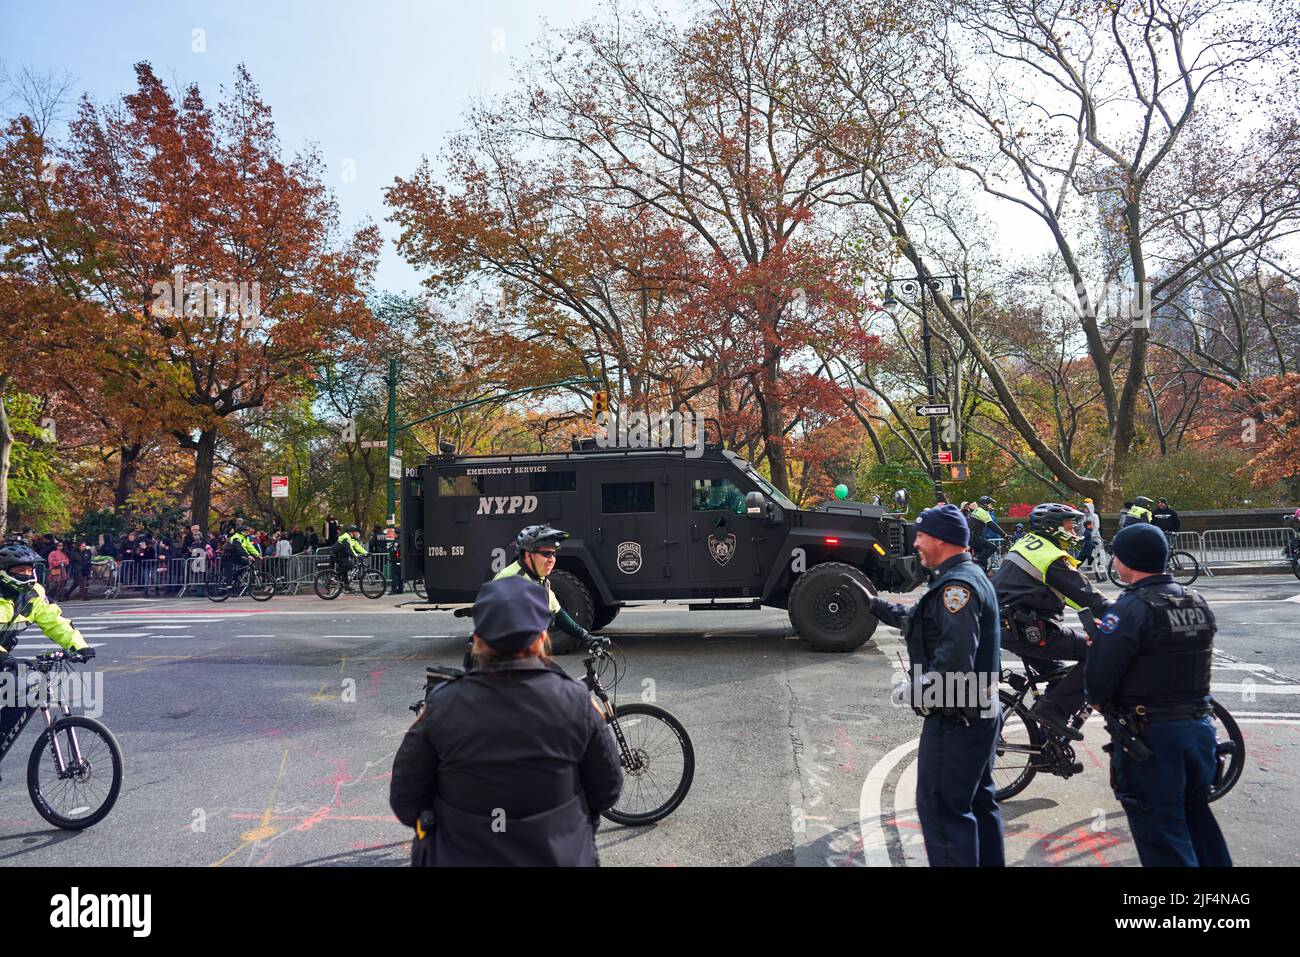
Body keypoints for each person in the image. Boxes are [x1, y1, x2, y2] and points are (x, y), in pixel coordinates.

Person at [388, 575, 623, 866]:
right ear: (541, 637)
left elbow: (405, 799)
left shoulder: (443, 705)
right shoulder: (576, 703)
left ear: (478, 641)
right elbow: (607, 789)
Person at [862, 504, 1004, 867]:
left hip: (958, 719)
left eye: (922, 536)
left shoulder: (957, 587)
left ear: (942, 539)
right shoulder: (962, 576)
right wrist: (877, 606)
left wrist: (917, 691)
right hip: (979, 712)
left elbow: (954, 660)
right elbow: (924, 622)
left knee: (943, 812)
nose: (917, 543)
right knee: (977, 803)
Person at [1083, 524, 1231, 867]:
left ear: (1128, 560)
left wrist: (1099, 650)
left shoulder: (1130, 609)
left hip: (1152, 737)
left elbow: (1099, 684)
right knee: (1197, 822)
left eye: (1117, 554)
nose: (1114, 561)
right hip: (1199, 730)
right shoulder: (1195, 600)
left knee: (1163, 837)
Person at [993, 502, 1111, 741]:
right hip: (1030, 631)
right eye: (1070, 527)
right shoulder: (1051, 557)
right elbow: (1087, 595)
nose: (1074, 532)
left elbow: (1072, 596)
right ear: (1052, 527)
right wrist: (1128, 616)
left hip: (1011, 628)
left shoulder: (1030, 545)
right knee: (1098, 654)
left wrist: (1099, 615)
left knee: (1060, 678)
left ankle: (1047, 744)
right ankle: (1053, 710)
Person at [0, 540, 95, 751]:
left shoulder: (33, 594)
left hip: (3, 657)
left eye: (29, 569)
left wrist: (78, 645)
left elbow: (54, 621)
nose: (27, 574)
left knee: (19, 693)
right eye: (20, 570)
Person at [490, 525, 599, 658]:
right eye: (546, 554)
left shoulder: (540, 580)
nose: (552, 559)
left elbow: (558, 614)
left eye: (554, 553)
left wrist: (586, 636)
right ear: (528, 554)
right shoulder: (512, 579)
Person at [964, 496, 1006, 571]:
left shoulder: (977, 510)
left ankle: (981, 570)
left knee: (983, 561)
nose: (991, 506)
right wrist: (1005, 535)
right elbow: (992, 525)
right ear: (985, 504)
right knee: (993, 548)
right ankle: (976, 560)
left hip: (971, 537)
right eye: (990, 504)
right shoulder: (982, 512)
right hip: (974, 537)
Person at [332, 524, 368, 590]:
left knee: (345, 570)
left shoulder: (352, 539)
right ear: (351, 532)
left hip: (343, 555)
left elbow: (358, 547)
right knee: (349, 566)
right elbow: (349, 549)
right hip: (337, 555)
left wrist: (366, 553)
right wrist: (356, 556)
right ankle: (335, 577)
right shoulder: (346, 537)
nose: (357, 533)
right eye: (356, 532)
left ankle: (346, 586)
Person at [1076, 498, 1102, 567]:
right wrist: (1084, 534)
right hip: (1087, 537)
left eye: (1086, 508)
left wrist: (1091, 535)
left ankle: (1097, 564)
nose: (1085, 509)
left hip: (1094, 536)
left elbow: (1096, 526)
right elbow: (1082, 526)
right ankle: (1089, 564)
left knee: (1095, 551)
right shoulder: (1084, 516)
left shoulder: (1094, 516)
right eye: (1084, 508)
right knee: (1088, 551)